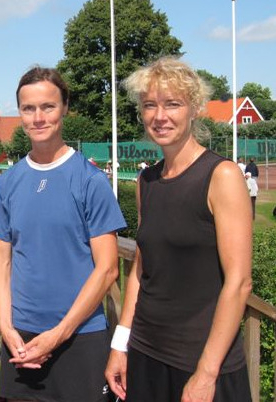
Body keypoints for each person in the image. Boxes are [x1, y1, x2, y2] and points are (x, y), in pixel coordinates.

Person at [105, 56, 252, 402]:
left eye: (172, 104)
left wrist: (206, 373)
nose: (160, 116)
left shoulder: (222, 176)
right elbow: (143, 269)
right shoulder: (147, 180)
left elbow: (239, 282)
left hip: (202, 363)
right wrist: (121, 344)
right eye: (149, 105)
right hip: (146, 353)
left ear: (194, 108)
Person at [0, 66, 126, 402]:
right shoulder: (8, 182)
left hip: (79, 336)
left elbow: (107, 268)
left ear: (65, 107)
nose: (38, 117)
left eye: (47, 106)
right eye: (28, 108)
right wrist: (6, 327)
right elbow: (0, 261)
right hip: (21, 339)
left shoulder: (90, 180)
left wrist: (57, 335)